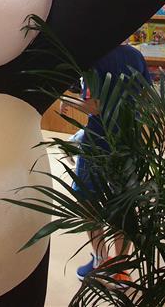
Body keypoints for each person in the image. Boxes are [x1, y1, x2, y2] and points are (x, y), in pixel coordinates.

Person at [60, 43, 151, 282]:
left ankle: (100, 259)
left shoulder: (93, 56)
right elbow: (147, 97)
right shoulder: (135, 55)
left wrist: (66, 100)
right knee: (125, 202)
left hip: (99, 141)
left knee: (87, 200)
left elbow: (95, 106)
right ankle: (120, 268)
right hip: (129, 139)